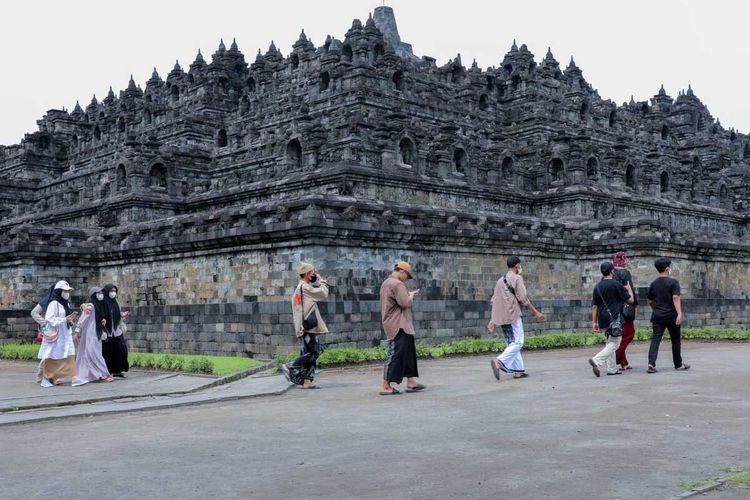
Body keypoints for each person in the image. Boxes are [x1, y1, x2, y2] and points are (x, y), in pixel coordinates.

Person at [488, 256, 545, 380]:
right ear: (517, 266)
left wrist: (492, 320)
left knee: (511, 343)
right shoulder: (517, 278)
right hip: (513, 314)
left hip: (502, 317)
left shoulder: (499, 281)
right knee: (518, 342)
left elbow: (494, 300)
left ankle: (518, 371)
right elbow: (523, 298)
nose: (520, 267)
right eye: (519, 265)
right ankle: (499, 362)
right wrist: (536, 313)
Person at [379, 261, 425, 395]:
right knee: (396, 354)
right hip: (398, 325)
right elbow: (405, 303)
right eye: (407, 276)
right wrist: (410, 296)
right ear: (402, 272)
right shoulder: (397, 284)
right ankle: (385, 386)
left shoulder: (387, 283)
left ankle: (411, 382)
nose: (406, 279)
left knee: (408, 352)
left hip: (400, 324)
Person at [282, 263, 329, 389]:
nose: (314, 274)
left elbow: (297, 309)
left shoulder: (301, 288)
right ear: (308, 274)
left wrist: (298, 326)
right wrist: (321, 281)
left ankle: (307, 381)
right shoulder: (305, 287)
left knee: (311, 352)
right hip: (309, 326)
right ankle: (290, 365)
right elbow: (323, 294)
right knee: (313, 352)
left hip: (308, 325)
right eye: (313, 272)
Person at [589, 262, 634, 377]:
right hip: (614, 317)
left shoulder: (598, 286)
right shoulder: (616, 284)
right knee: (615, 343)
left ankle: (612, 368)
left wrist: (594, 322)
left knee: (609, 342)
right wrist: (629, 289)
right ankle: (596, 360)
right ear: (612, 271)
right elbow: (630, 301)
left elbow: (595, 306)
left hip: (602, 318)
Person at [646, 258, 690, 373]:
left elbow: (650, 300)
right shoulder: (673, 282)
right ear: (667, 269)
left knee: (655, 340)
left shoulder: (653, 283)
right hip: (671, 316)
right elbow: (675, 297)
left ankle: (651, 363)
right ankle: (678, 364)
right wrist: (679, 313)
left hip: (657, 316)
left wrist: (655, 309)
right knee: (675, 340)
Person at [37, 281, 78, 387]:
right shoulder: (53, 303)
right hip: (56, 334)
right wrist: (64, 319)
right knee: (52, 355)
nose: (67, 293)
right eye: (65, 290)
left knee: (70, 354)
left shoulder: (65, 304)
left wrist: (69, 321)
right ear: (59, 291)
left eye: (68, 291)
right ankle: (46, 378)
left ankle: (74, 377)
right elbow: (49, 318)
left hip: (65, 333)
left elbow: (66, 318)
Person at [72, 287, 113, 384]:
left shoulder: (99, 305)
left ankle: (97, 374)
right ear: (94, 294)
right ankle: (102, 374)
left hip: (95, 333)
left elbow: (98, 317)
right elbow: (82, 319)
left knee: (93, 353)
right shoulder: (91, 306)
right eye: (98, 292)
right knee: (93, 354)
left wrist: (103, 320)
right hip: (90, 334)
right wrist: (77, 332)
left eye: (101, 292)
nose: (101, 294)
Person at [612, 252, 638, 370]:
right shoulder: (624, 273)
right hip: (625, 308)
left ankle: (624, 363)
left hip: (612, 308)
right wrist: (635, 305)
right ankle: (615, 356)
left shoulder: (610, 273)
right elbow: (629, 289)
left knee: (619, 334)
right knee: (629, 334)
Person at [101, 284, 130, 378]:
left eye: (114, 291)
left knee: (121, 349)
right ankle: (108, 371)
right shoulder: (103, 301)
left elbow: (115, 312)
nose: (113, 293)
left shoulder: (115, 301)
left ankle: (118, 370)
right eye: (111, 291)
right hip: (107, 330)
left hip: (116, 329)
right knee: (108, 351)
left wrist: (122, 314)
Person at [30, 283, 56, 382]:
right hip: (48, 330)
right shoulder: (46, 301)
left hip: (58, 329)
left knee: (56, 353)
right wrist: (44, 323)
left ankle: (52, 375)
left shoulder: (62, 302)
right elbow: (34, 312)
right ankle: (41, 374)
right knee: (48, 352)